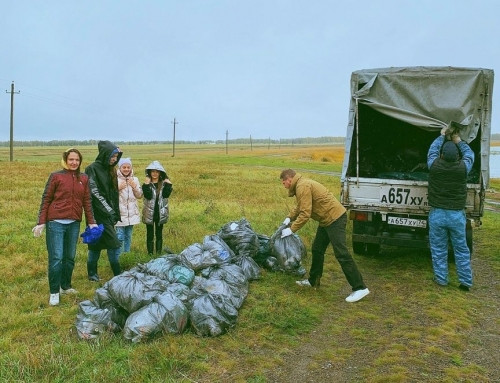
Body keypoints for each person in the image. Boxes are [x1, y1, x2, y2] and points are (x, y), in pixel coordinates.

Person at [279, 169, 370, 303]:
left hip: (335, 219)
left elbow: (305, 213)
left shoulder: (302, 186)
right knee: (317, 249)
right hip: (326, 220)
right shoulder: (301, 184)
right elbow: (300, 206)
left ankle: (360, 288)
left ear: (289, 179)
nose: (284, 185)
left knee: (341, 253)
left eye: (283, 182)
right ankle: (313, 281)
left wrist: (291, 229)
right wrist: (289, 217)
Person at [33, 148, 98, 306]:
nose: (74, 162)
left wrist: (92, 221)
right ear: (65, 160)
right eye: (71, 160)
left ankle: (65, 286)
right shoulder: (56, 176)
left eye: (77, 160)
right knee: (56, 258)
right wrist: (41, 222)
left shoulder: (84, 178)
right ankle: (54, 292)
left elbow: (87, 202)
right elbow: (46, 199)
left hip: (73, 224)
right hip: (55, 223)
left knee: (69, 257)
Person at [427, 127, 474, 290]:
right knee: (461, 249)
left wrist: (441, 136)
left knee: (438, 248)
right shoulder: (463, 168)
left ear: (441, 155)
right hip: (456, 215)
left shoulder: (434, 165)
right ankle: (465, 282)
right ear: (457, 157)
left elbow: (431, 151)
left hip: (437, 214)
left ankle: (441, 280)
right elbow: (470, 155)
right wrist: (458, 140)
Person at [84, 140, 123, 281]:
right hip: (97, 214)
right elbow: (94, 193)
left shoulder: (110, 170)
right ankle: (118, 274)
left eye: (116, 157)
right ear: (105, 154)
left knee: (96, 244)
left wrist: (115, 213)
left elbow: (113, 194)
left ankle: (92, 274)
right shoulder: (92, 169)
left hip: (108, 214)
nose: (114, 160)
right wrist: (109, 212)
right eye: (112, 157)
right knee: (112, 243)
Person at [142, 160, 173, 255]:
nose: (155, 174)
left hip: (160, 213)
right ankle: (150, 253)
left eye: (157, 171)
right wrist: (146, 185)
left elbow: (166, 195)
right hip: (149, 213)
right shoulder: (147, 184)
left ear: (160, 173)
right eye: (153, 171)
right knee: (150, 235)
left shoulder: (164, 184)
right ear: (150, 173)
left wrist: (169, 184)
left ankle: (158, 253)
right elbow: (148, 196)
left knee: (159, 234)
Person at [115, 157, 143, 254]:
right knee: (119, 236)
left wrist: (135, 187)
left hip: (132, 214)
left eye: (128, 167)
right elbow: (109, 196)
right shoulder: (115, 179)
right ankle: (118, 256)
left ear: (131, 168)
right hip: (120, 214)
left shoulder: (135, 179)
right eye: (124, 167)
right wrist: (117, 188)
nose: (126, 169)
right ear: (120, 168)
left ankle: (126, 255)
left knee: (128, 236)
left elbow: (139, 195)